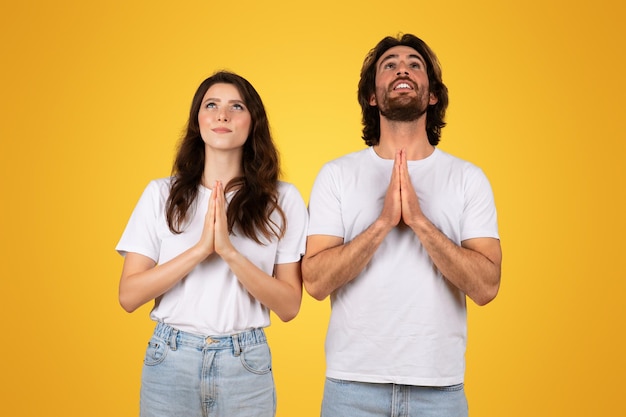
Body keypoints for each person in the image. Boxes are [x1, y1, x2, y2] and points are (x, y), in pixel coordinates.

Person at [302, 34, 502, 417]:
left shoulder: (467, 178)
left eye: (414, 63)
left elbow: (486, 287)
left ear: (431, 96)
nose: (402, 69)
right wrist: (382, 224)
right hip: (351, 388)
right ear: (373, 97)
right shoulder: (337, 175)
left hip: (439, 390)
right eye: (389, 64)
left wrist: (419, 223)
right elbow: (314, 282)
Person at [115, 71, 308, 417]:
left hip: (245, 364)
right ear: (198, 120)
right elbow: (129, 296)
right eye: (212, 105)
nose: (222, 115)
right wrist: (201, 250)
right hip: (170, 359)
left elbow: (290, 305)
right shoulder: (161, 194)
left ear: (253, 123)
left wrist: (230, 253)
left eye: (236, 106)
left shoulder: (282, 199)